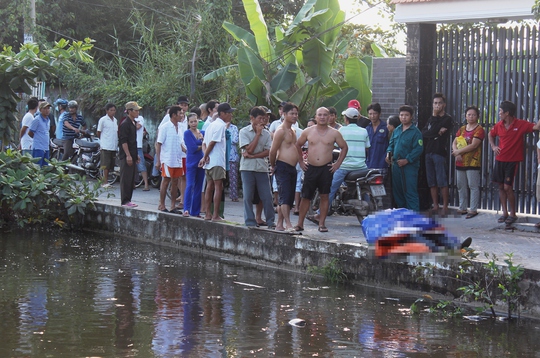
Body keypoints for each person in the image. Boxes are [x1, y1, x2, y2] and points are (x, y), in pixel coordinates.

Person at [295, 107, 348, 233]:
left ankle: (322, 223)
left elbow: (344, 147)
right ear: (316, 116)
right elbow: (298, 144)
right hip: (311, 167)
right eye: (320, 115)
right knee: (306, 197)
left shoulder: (334, 133)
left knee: (325, 196)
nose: (323, 117)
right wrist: (301, 161)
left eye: (325, 115)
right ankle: (300, 223)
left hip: (326, 168)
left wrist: (337, 164)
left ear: (329, 116)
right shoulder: (308, 131)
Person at [488, 100, 540, 225]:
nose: (499, 113)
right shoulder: (499, 125)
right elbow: (490, 134)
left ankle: (513, 213)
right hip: (500, 160)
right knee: (500, 186)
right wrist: (493, 146)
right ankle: (504, 213)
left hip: (512, 161)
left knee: (507, 187)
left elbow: (536, 127)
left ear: (507, 113)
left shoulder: (520, 124)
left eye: (501, 111)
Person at [240, 106, 275, 228]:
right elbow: (248, 148)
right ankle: (250, 221)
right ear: (252, 118)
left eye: (264, 118)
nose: (262, 121)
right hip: (247, 168)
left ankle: (271, 221)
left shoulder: (267, 134)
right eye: (260, 118)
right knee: (248, 196)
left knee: (267, 196)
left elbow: (268, 151)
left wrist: (253, 156)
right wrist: (257, 134)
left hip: (262, 167)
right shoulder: (244, 132)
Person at [269, 102, 301, 231]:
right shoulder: (280, 131)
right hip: (282, 165)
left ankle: (279, 224)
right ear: (284, 114)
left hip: (292, 167)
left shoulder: (292, 130)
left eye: (296, 114)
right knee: (285, 197)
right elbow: (272, 151)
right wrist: (273, 165)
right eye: (292, 113)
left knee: (288, 196)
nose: (294, 116)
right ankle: (288, 224)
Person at [386, 105, 423, 211]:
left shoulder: (415, 132)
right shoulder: (397, 130)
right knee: (398, 192)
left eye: (406, 115)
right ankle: (403, 216)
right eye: (401, 115)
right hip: (396, 166)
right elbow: (391, 144)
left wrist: (407, 160)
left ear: (411, 117)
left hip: (409, 167)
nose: (404, 117)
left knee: (410, 191)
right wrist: (388, 153)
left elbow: (418, 149)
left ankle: (414, 218)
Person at [199, 102, 233, 221]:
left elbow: (204, 143)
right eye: (229, 113)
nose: (230, 115)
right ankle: (215, 215)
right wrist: (205, 156)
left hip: (209, 162)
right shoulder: (220, 126)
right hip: (217, 161)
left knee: (209, 186)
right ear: (222, 114)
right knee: (218, 187)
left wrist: (205, 156)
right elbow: (212, 142)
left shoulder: (211, 125)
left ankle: (208, 213)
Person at [422, 93, 453, 216]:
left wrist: (433, 131)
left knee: (442, 180)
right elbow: (424, 133)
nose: (437, 105)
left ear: (444, 105)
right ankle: (435, 206)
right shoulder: (431, 118)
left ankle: (444, 206)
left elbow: (434, 130)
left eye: (439, 103)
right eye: (435, 103)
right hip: (428, 152)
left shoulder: (447, 119)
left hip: (439, 152)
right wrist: (435, 132)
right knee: (431, 181)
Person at [451, 105, 485, 219]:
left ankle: (473, 209)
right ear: (465, 116)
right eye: (469, 114)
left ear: (478, 116)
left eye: (473, 115)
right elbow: (454, 142)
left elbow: (474, 145)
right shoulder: (461, 129)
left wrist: (458, 152)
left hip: (472, 162)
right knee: (461, 185)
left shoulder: (479, 130)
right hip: (460, 161)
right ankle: (462, 207)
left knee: (473, 185)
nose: (471, 117)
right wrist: (456, 152)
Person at [156, 105, 185, 213]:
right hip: (167, 158)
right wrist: (158, 160)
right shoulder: (165, 127)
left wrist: (187, 152)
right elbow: (159, 144)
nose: (182, 116)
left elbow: (181, 143)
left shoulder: (181, 127)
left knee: (175, 181)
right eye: (180, 113)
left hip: (178, 158)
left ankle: (173, 206)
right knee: (166, 180)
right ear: (173, 115)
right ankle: (162, 204)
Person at [118, 101, 141, 208]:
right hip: (126, 155)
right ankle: (125, 201)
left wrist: (136, 155)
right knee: (126, 179)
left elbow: (133, 141)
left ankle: (129, 200)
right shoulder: (125, 124)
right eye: (136, 110)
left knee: (131, 179)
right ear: (129, 111)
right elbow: (124, 141)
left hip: (132, 153)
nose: (137, 112)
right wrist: (128, 155)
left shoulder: (133, 123)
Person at [183, 113, 205, 217]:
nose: (193, 123)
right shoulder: (187, 133)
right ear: (188, 122)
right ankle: (186, 208)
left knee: (199, 187)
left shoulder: (202, 132)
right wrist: (201, 143)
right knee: (190, 185)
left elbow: (207, 144)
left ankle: (195, 211)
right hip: (191, 162)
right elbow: (192, 148)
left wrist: (201, 143)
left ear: (198, 121)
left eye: (195, 121)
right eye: (191, 121)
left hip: (201, 162)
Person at [97, 103, 118, 187]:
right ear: (107, 111)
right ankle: (104, 182)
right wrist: (102, 140)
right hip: (105, 145)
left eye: (114, 110)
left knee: (110, 165)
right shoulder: (103, 120)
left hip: (113, 145)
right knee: (105, 165)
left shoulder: (115, 120)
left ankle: (107, 181)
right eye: (111, 110)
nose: (113, 112)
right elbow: (99, 132)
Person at [28, 102, 52, 167]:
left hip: (46, 147)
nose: (47, 110)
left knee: (45, 167)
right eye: (45, 108)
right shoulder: (37, 119)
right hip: (38, 147)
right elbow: (30, 132)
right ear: (41, 109)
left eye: (48, 108)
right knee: (37, 167)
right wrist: (37, 139)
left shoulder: (48, 120)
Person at [366, 102, 389, 170]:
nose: (372, 116)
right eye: (370, 114)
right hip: (368, 165)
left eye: (375, 113)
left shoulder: (386, 128)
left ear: (379, 114)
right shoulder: (367, 129)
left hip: (382, 165)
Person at [135, 114, 149, 191]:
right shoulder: (129, 120)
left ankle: (146, 184)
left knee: (141, 164)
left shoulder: (140, 118)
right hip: (131, 145)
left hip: (138, 146)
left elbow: (138, 127)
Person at [227, 121, 240, 202]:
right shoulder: (220, 126)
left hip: (232, 155)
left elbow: (235, 140)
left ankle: (234, 195)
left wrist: (226, 138)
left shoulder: (234, 127)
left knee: (233, 177)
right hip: (222, 155)